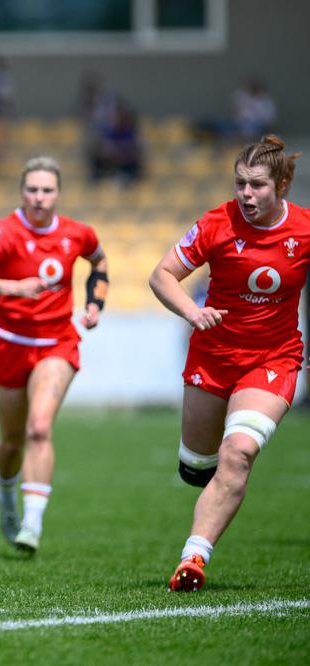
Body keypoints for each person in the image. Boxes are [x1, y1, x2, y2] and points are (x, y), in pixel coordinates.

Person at [149, 135, 306, 592]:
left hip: (273, 360)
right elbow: (161, 275)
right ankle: (208, 481)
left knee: (238, 453)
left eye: (257, 185)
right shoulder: (217, 223)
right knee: (197, 466)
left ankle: (193, 558)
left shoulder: (304, 229)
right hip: (213, 357)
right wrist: (192, 312)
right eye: (240, 183)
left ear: (281, 185)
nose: (246, 194)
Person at [0, 156, 108, 554]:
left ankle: (32, 522)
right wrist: (10, 287)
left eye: (47, 190)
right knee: (12, 441)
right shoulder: (4, 232)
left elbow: (99, 263)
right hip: (9, 344)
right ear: (21, 192)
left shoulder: (78, 233)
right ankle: (7, 496)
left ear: (58, 193)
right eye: (32, 190)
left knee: (39, 428)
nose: (39, 198)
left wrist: (95, 303)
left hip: (57, 343)